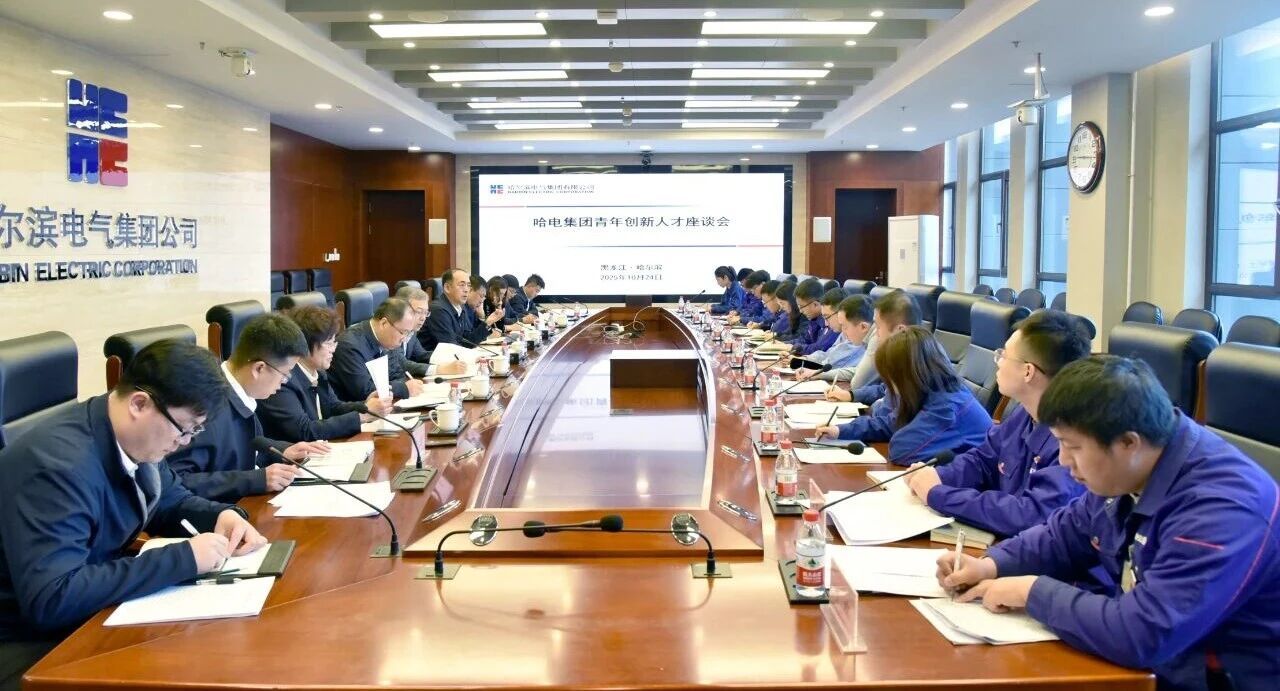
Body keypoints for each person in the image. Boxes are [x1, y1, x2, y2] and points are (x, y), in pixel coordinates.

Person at [938, 355, 1280, 690]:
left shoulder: (1221, 509)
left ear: (1129, 443)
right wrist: (990, 565)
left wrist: (1031, 592)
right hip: (1148, 667)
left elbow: (1144, 633)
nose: (1063, 460)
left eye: (1072, 446)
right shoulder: (1130, 466)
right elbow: (1065, 533)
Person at [0, 341, 267, 688]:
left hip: (89, 607)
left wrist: (221, 516)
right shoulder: (57, 466)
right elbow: (52, 597)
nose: (185, 442)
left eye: (195, 431)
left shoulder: (128, 435)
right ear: (139, 404)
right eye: (185, 429)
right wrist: (184, 558)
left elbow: (168, 499)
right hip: (25, 638)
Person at [904, 310, 1092, 537]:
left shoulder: (1072, 440)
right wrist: (938, 477)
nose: (998, 363)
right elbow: (982, 461)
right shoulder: (1024, 413)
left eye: (1004, 355)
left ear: (1028, 371)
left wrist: (938, 494)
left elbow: (1030, 515)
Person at [168, 314, 329, 502]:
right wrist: (255, 480)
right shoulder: (206, 410)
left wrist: (283, 451)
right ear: (259, 369)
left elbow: (249, 444)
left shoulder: (241, 392)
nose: (284, 382)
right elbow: (177, 483)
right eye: (285, 374)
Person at [815, 326, 991, 465]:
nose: (890, 386)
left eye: (892, 377)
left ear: (910, 374)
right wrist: (841, 430)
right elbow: (891, 423)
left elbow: (901, 450)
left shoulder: (946, 405)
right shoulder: (928, 390)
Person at [258, 306, 391, 442]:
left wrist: (366, 405)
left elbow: (333, 407)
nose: (333, 349)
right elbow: (304, 430)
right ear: (304, 346)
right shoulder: (283, 380)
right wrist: (363, 416)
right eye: (329, 343)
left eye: (334, 342)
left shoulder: (319, 372)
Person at [332, 298, 463, 402]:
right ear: (384, 323)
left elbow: (397, 373)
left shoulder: (386, 339)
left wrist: (411, 386)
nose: (404, 339)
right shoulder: (350, 346)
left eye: (408, 333)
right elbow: (364, 391)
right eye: (403, 332)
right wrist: (403, 388)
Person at [823, 289, 922, 403]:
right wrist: (851, 395)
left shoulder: (923, 366)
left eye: (878, 327)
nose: (876, 333)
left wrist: (875, 410)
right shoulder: (903, 355)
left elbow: (893, 409)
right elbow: (884, 390)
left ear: (901, 331)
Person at [795, 294, 874, 379]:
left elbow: (857, 373)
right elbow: (828, 355)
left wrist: (817, 373)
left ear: (863, 327)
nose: (843, 331)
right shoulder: (854, 334)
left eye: (845, 327)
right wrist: (803, 361)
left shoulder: (876, 343)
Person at [422, 268, 484, 351]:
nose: (466, 290)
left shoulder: (461, 307)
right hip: (433, 357)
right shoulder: (438, 310)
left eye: (468, 285)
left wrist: (487, 324)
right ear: (447, 288)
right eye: (462, 285)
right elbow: (451, 347)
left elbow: (468, 341)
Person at [463, 274, 504, 344]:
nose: (482, 301)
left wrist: (482, 316)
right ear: (470, 290)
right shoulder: (462, 309)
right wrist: (487, 336)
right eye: (481, 296)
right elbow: (469, 340)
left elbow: (477, 330)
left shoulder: (471, 309)